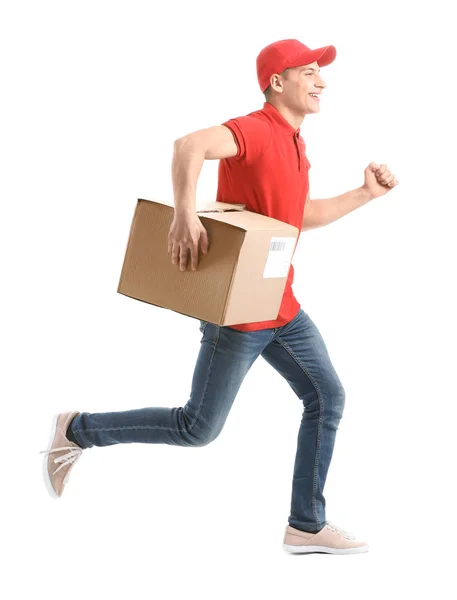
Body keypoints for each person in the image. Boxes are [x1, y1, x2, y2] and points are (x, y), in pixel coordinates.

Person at [40, 39, 398, 555]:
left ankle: (306, 524)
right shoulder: (256, 129)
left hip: (283, 307)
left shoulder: (296, 143)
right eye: (310, 72)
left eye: (321, 73)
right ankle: (78, 430)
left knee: (326, 396)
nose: (321, 82)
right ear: (279, 82)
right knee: (197, 428)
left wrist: (365, 193)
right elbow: (189, 146)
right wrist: (185, 215)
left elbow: (300, 218)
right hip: (240, 318)